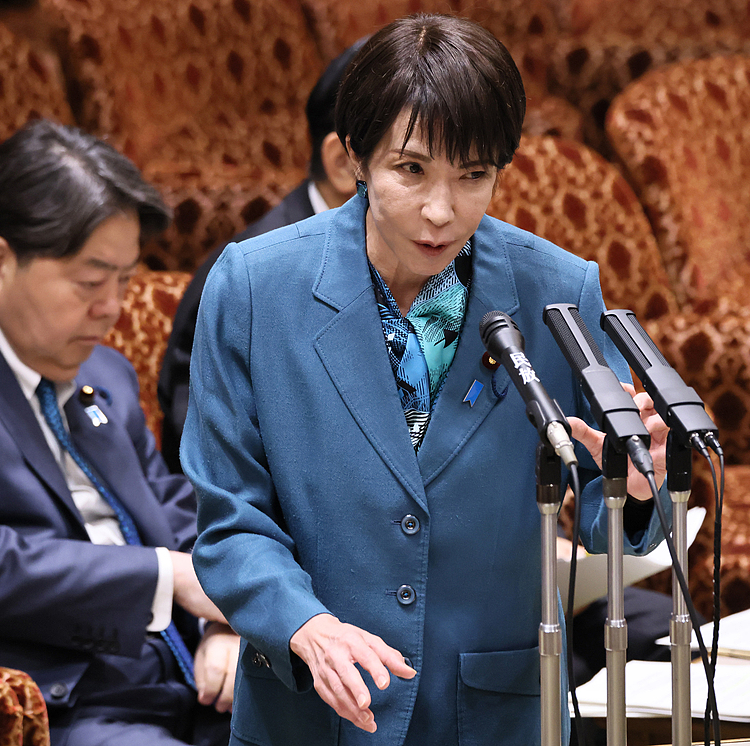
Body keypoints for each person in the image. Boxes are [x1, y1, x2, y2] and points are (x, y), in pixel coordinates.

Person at [183, 14, 672, 746]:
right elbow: (229, 520)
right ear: (354, 157)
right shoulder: (255, 287)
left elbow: (613, 523)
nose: (442, 212)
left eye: (474, 176)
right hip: (310, 713)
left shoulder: (558, 290)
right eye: (411, 171)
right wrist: (304, 625)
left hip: (492, 712)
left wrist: (636, 492)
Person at [0, 119, 239, 746]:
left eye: (125, 281)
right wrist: (164, 578)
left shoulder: (106, 371)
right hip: (66, 701)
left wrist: (222, 624)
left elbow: (170, 504)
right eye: (92, 282)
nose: (113, 309)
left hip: (191, 680)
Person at [157, 39, 363, 472]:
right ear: (343, 164)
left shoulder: (430, 263)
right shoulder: (245, 279)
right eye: (413, 166)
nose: (438, 207)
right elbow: (207, 461)